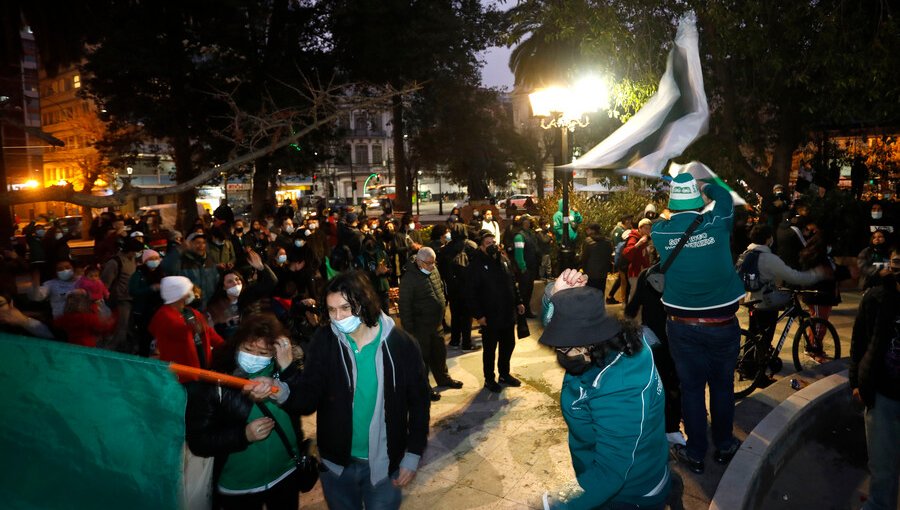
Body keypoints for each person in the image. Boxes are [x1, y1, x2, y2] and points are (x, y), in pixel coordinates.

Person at [250, 270, 430, 510]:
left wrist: (413, 453)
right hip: (336, 466)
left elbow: (419, 402)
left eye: (345, 308)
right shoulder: (325, 341)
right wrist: (279, 390)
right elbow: (307, 398)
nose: (338, 317)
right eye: (332, 310)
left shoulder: (401, 344)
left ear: (365, 302)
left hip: (386, 463)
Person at [539, 269, 670, 510]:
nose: (561, 354)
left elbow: (608, 474)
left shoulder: (621, 388)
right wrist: (555, 295)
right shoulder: (606, 344)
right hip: (597, 473)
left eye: (567, 348)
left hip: (629, 495)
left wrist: (554, 502)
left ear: (592, 341)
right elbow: (553, 322)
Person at [649, 168, 745, 475]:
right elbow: (724, 194)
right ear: (696, 202)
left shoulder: (659, 232)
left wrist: (676, 208)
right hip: (722, 325)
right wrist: (705, 185)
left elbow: (661, 219)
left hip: (681, 325)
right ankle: (725, 444)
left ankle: (696, 451)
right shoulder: (717, 221)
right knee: (722, 387)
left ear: (673, 205)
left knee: (691, 389)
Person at [185, 314, 304, 510]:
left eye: (263, 352)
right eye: (248, 349)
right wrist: (243, 435)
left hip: (285, 475)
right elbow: (199, 442)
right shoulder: (217, 382)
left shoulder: (282, 373)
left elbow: (305, 404)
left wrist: (288, 369)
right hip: (237, 486)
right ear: (237, 345)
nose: (254, 357)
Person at [849, 244, 900, 510]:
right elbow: (859, 343)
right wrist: (857, 382)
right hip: (883, 395)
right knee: (882, 465)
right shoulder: (877, 298)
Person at [400, 247, 462, 401]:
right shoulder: (409, 279)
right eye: (428, 263)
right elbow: (405, 306)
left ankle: (443, 378)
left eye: (434, 263)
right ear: (419, 262)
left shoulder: (433, 271)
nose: (432, 266)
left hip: (436, 323)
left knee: (440, 353)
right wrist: (409, 330)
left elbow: (440, 288)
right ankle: (424, 388)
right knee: (423, 359)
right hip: (420, 326)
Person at [466, 230, 525, 393]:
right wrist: (479, 315)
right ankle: (489, 379)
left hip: (507, 313)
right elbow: (471, 293)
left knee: (508, 345)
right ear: (481, 246)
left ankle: (504, 374)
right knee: (490, 349)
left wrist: (519, 301)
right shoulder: (476, 264)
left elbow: (512, 282)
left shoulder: (503, 260)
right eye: (488, 243)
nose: (492, 246)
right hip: (490, 315)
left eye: (493, 242)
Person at [149, 276, 224, 370]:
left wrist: (226, 347)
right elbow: (179, 332)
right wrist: (194, 328)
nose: (193, 293)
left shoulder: (192, 312)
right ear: (180, 294)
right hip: (182, 375)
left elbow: (210, 334)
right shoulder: (163, 316)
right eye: (189, 290)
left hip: (203, 370)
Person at [513, 215, 540, 317]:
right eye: (527, 221)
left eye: (529, 221)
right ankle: (521, 312)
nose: (529, 223)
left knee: (529, 291)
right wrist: (523, 267)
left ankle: (526, 310)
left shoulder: (530, 234)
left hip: (531, 267)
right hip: (525, 269)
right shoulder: (519, 237)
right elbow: (518, 254)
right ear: (523, 223)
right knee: (523, 291)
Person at [622, 218, 654, 305]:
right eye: (646, 228)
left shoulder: (647, 239)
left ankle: (638, 316)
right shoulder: (634, 238)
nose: (648, 230)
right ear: (640, 228)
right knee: (634, 294)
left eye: (649, 228)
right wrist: (638, 243)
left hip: (644, 272)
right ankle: (631, 316)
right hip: (635, 272)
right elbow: (627, 252)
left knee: (641, 295)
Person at [579, 223, 613, 293]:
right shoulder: (607, 241)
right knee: (601, 292)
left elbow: (584, 258)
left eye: (588, 229)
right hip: (603, 272)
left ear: (592, 230)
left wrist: (584, 269)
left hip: (590, 273)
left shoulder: (587, 241)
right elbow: (609, 255)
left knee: (590, 294)